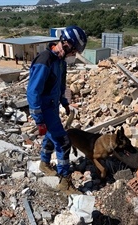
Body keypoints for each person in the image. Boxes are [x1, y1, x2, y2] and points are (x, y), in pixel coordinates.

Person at [27, 26, 87, 195]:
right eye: (74, 50)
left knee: (50, 136)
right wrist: (38, 118)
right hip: (44, 109)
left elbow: (60, 85)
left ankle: (44, 163)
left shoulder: (60, 62)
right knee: (63, 142)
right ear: (66, 44)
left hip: (52, 107)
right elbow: (33, 92)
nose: (74, 55)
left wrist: (64, 103)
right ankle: (64, 181)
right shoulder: (44, 60)